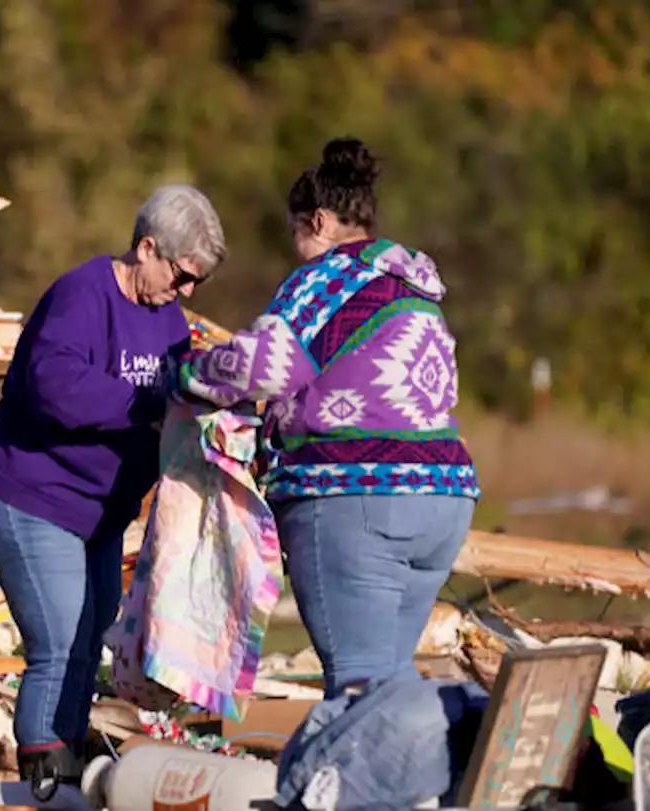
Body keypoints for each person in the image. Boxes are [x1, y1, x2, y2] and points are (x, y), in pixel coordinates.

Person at [175, 137, 480, 699]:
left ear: (317, 220)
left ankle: (358, 788)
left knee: (358, 689)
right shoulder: (414, 288)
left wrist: (186, 372)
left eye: (295, 232)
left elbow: (262, 368)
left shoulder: (327, 279)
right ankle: (420, 784)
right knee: (389, 684)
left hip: (356, 497)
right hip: (444, 498)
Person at [0, 184, 225, 797]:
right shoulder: (82, 294)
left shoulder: (169, 322)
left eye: (198, 286)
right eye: (183, 276)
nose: (186, 293)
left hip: (98, 514)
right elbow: (54, 386)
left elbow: (177, 398)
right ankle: (39, 785)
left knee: (90, 638)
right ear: (147, 248)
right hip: (30, 493)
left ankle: (73, 772)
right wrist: (144, 403)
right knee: (56, 641)